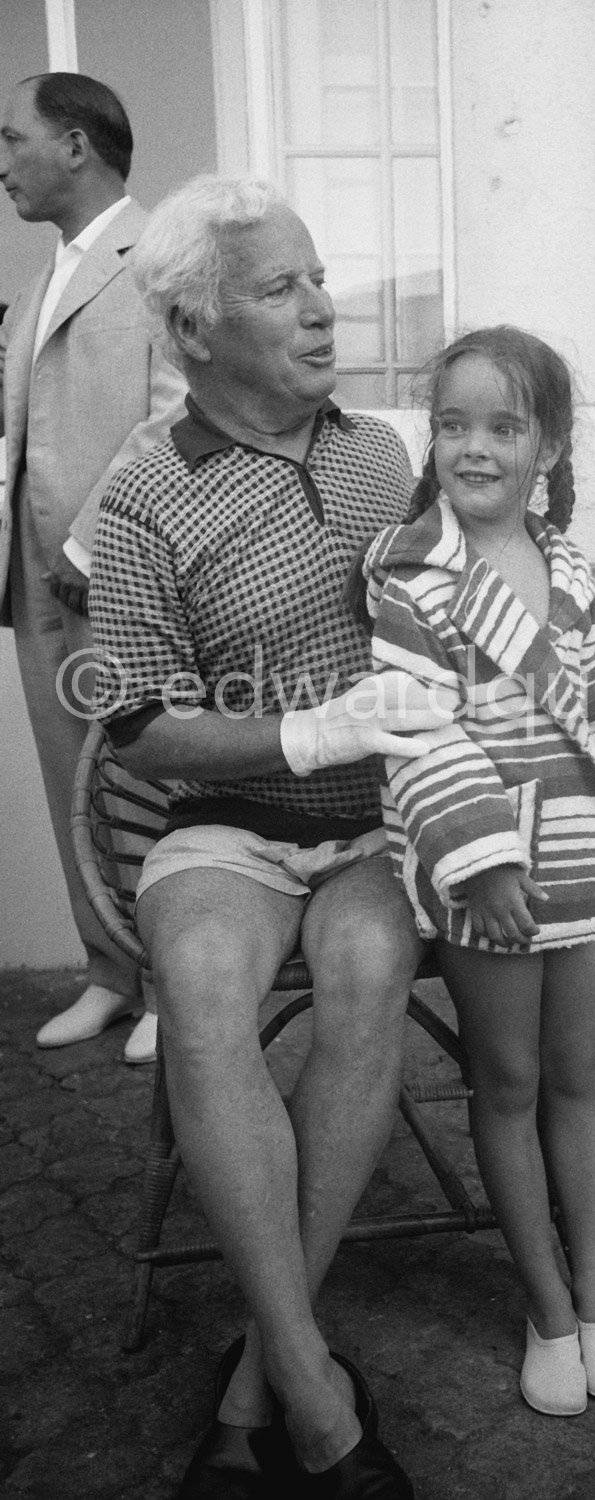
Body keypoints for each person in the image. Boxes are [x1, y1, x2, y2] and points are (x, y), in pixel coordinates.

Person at [87, 174, 456, 1498]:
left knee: (365, 972)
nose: (321, 307)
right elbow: (134, 726)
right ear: (193, 330)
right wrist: (307, 733)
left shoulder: (381, 454)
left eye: (318, 277)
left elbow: (444, 620)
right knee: (196, 983)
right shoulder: (136, 501)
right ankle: (314, 1386)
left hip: (373, 832)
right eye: (280, 287)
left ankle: (261, 1378)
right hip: (227, 829)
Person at [357, 326, 595, 1416]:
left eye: (502, 426)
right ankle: (545, 1308)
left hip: (577, 865)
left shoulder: (568, 566)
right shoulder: (409, 575)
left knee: (577, 1080)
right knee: (510, 1086)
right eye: (451, 424)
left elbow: (594, 711)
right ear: (430, 439)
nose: (472, 448)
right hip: (490, 873)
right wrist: (477, 859)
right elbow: (415, 733)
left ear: (548, 445)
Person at [0, 72, 187, 1062]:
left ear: (75, 146)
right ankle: (109, 974)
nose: (2, 163)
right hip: (32, 573)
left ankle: (169, 981)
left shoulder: (158, 255)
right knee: (65, 772)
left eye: (12, 138)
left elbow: (170, 415)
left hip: (112, 571)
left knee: (137, 776)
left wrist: (85, 542)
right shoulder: (36, 287)